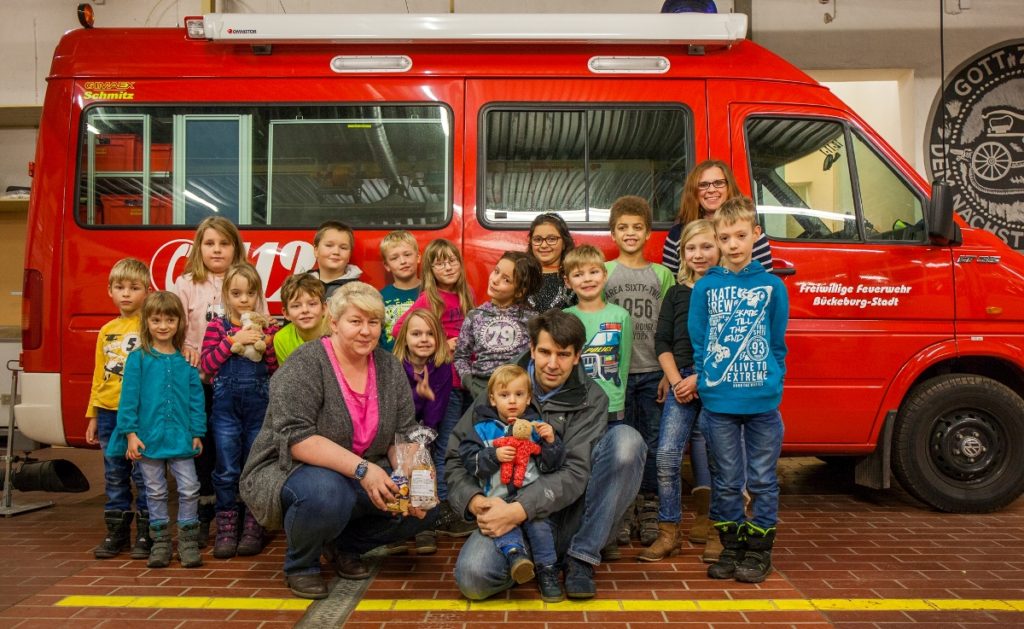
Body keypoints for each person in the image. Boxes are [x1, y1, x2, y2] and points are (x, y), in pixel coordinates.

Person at [240, 282, 439, 600]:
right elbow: (297, 438)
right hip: (293, 468)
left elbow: (403, 432)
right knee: (328, 493)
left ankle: (345, 547)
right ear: (333, 322)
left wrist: (415, 479)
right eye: (355, 321)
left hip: (361, 471)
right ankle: (300, 565)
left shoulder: (388, 366)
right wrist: (364, 470)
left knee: (424, 506)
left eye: (373, 322)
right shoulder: (306, 363)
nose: (366, 331)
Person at [447, 309, 646, 600]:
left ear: (578, 356)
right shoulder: (502, 386)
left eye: (563, 354)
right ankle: (536, 561)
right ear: (531, 348)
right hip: (506, 509)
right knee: (474, 579)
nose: (552, 364)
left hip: (566, 514)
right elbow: (455, 456)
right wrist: (476, 503)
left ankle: (580, 557)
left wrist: (521, 509)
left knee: (628, 441)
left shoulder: (592, 399)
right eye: (544, 352)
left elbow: (576, 472)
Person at [689, 196, 788, 584]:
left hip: (762, 402)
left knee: (762, 478)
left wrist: (773, 380)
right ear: (716, 237)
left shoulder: (771, 286)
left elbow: (777, 341)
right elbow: (699, 340)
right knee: (727, 479)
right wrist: (709, 380)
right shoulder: (705, 288)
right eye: (725, 237)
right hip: (719, 404)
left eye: (740, 235)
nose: (732, 244)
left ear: (755, 235)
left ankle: (759, 550)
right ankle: (731, 546)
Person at [173, 216, 267, 547]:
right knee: (206, 448)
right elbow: (176, 322)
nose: (217, 249)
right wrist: (182, 343)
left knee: (240, 448)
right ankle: (205, 511)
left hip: (242, 383)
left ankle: (247, 513)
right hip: (200, 377)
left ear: (235, 248)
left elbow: (263, 325)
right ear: (199, 247)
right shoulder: (186, 283)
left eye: (224, 243)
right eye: (209, 243)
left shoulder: (245, 281)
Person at [106, 291, 206, 569]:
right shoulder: (138, 359)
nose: (163, 326)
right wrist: (130, 433)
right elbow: (128, 398)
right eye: (156, 320)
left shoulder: (186, 362)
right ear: (146, 322)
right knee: (154, 490)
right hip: (146, 438)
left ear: (179, 323)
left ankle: (187, 541)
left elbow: (196, 399)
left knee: (189, 488)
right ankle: (160, 542)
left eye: (170, 320)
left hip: (180, 437)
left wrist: (197, 431)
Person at [639, 219, 718, 562]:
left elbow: (727, 342)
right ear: (682, 252)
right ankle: (669, 531)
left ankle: (718, 530)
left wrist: (700, 378)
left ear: (719, 247)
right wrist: (675, 380)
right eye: (691, 248)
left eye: (706, 246)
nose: (699, 254)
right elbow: (663, 340)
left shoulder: (724, 291)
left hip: (715, 381)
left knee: (718, 458)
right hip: (679, 380)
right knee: (668, 455)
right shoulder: (676, 292)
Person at [456, 365, 566, 602]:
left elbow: (552, 464)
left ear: (528, 398)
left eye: (519, 395)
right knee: (505, 530)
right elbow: (467, 458)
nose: (512, 401)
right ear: (493, 399)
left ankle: (548, 571)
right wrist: (492, 456)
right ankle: (517, 559)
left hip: (529, 499)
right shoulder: (482, 429)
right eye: (505, 395)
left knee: (540, 529)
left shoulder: (534, 427)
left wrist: (550, 441)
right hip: (499, 498)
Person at [603, 196, 675, 546]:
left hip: (652, 372)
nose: (630, 233)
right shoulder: (604, 273)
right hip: (616, 377)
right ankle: (623, 507)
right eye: (623, 228)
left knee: (652, 442)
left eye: (637, 227)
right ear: (613, 234)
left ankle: (649, 505)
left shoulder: (662, 274)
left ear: (648, 233)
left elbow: (669, 327)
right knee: (621, 444)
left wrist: (667, 372)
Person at [392, 239, 475, 537]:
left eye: (452, 259)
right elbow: (399, 329)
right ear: (430, 269)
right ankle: (439, 510)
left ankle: (451, 503)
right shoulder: (430, 297)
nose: (447, 266)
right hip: (445, 384)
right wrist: (440, 342)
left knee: (460, 445)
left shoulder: (466, 295)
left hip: (466, 382)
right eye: (439, 262)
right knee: (445, 446)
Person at [200, 262, 279, 559]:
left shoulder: (266, 327)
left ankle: (253, 524)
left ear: (258, 295)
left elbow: (273, 369)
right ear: (226, 295)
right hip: (225, 410)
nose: (244, 299)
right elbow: (206, 367)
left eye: (250, 293)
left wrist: (265, 343)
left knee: (253, 465)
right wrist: (233, 341)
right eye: (236, 293)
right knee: (226, 468)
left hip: (259, 408)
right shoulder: (216, 327)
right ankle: (226, 525)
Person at [85, 258, 151, 560]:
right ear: (110, 291)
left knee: (144, 474)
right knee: (114, 473)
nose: (126, 294)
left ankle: (148, 534)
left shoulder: (149, 327)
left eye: (134, 288)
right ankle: (117, 532)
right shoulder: (106, 330)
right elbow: (99, 375)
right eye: (119, 287)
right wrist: (93, 416)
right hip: (109, 411)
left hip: (140, 413)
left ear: (146, 292)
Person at [388, 308, 454, 555]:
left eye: (430, 334)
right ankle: (397, 525)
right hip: (394, 431)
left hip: (426, 430)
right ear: (405, 337)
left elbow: (435, 417)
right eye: (416, 333)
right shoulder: (393, 365)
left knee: (424, 466)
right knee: (399, 472)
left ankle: (423, 526)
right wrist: (417, 392)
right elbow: (390, 408)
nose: (423, 339)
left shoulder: (443, 367)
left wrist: (429, 396)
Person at [453, 251, 542, 399]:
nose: (495, 280)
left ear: (520, 291)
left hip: (517, 392)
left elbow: (537, 357)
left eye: (506, 280)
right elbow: (461, 356)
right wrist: (469, 382)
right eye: (496, 272)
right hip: (482, 389)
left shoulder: (532, 319)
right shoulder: (475, 316)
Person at [662, 159, 772, 274]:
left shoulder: (750, 232)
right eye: (703, 185)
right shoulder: (677, 234)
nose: (711, 190)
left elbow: (765, 284)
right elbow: (672, 283)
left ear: (729, 187)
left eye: (718, 183)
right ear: (694, 191)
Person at [378, 230, 422, 352]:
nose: (403, 261)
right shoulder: (380, 297)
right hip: (392, 363)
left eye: (407, 255)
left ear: (418, 257)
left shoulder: (432, 292)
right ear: (387, 265)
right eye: (394, 258)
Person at [525, 213, 577, 312]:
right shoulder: (521, 275)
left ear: (564, 243)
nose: (544, 245)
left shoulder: (575, 276)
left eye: (552, 239)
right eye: (537, 239)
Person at [274, 273, 328, 364]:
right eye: (296, 306)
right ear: (286, 313)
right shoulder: (281, 339)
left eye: (312, 304)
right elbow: (288, 376)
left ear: (324, 308)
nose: (305, 310)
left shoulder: (337, 333)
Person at [308, 220, 363, 300]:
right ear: (316, 251)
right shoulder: (300, 285)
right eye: (329, 245)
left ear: (349, 256)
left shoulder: (359, 291)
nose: (336, 252)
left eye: (343, 248)